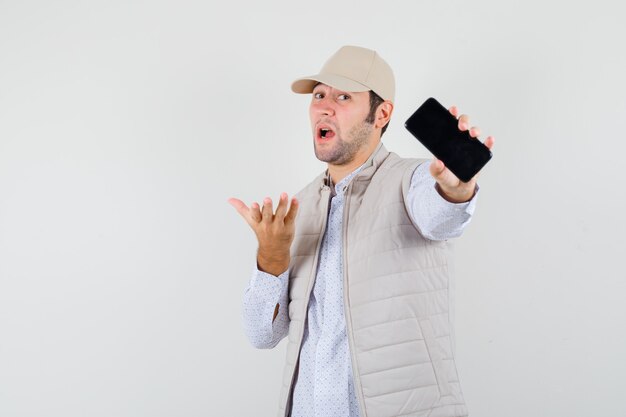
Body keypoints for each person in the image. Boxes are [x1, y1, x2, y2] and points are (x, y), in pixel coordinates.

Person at [228, 45, 495, 417]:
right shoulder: (298, 210)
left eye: (343, 97)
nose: (324, 106)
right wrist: (270, 259)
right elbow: (261, 335)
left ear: (381, 113)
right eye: (319, 95)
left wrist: (455, 188)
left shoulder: (412, 180)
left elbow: (441, 216)